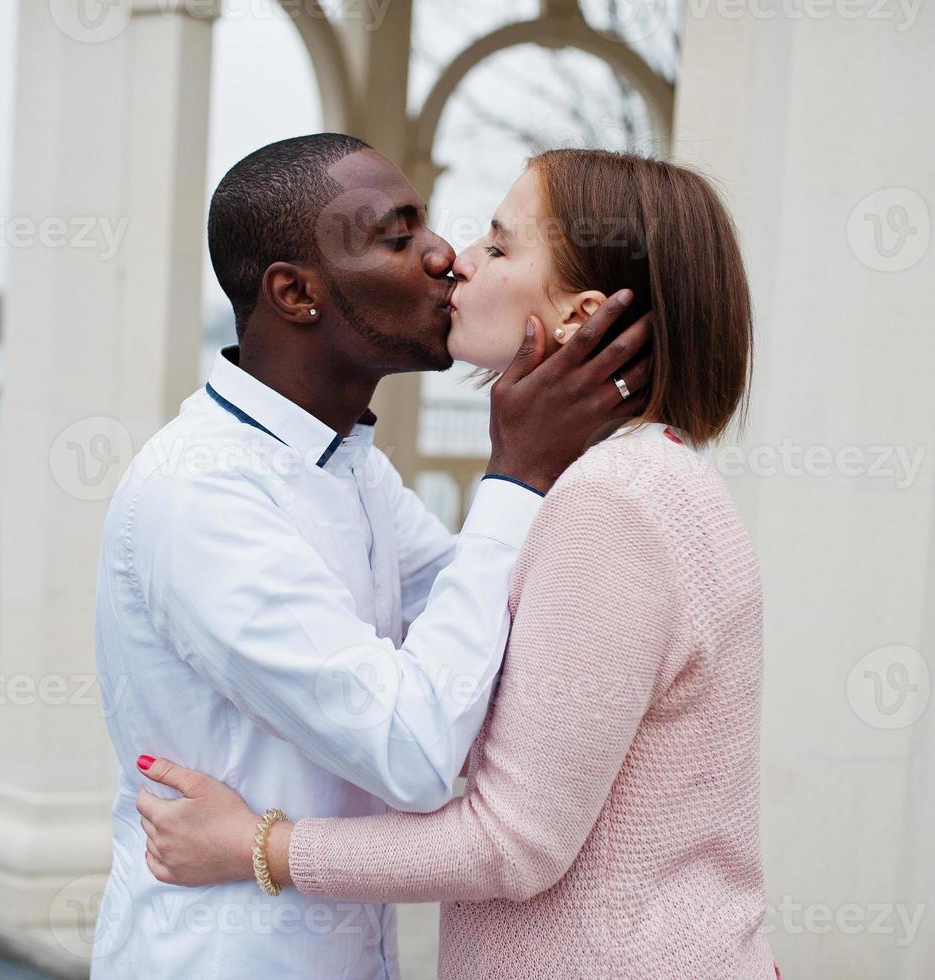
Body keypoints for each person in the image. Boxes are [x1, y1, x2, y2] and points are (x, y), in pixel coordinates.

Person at [135, 148, 775, 978]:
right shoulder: (647, 474)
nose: (456, 258)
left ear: (580, 317)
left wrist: (262, 846)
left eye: (500, 248)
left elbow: (512, 841)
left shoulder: (608, 502)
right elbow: (471, 636)